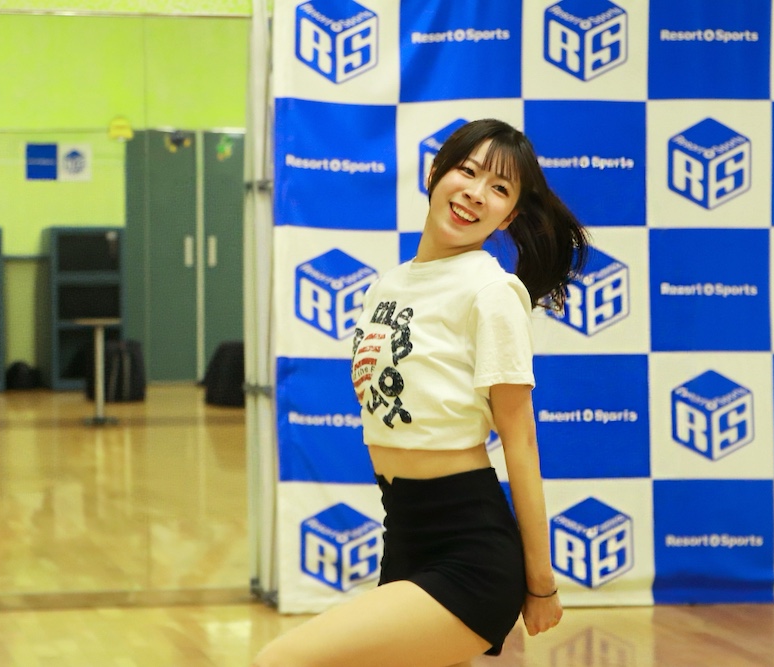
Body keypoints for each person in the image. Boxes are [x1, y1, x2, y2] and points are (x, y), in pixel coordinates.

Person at [253, 118, 590, 667]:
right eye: (468, 171)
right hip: (403, 533)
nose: (476, 193)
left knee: (279, 661)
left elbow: (521, 442)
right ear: (436, 173)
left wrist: (541, 582)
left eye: (499, 188)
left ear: (510, 215)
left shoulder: (492, 291)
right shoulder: (388, 285)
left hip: (470, 552)